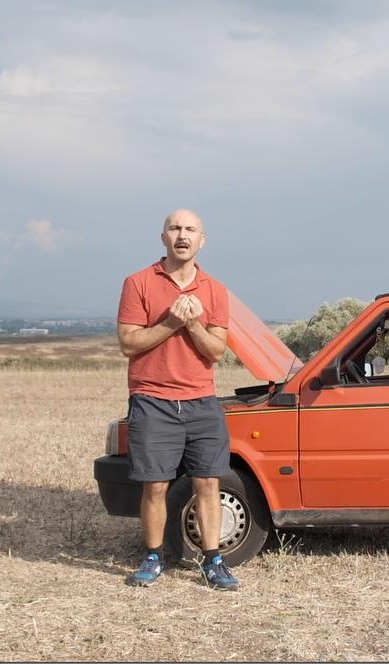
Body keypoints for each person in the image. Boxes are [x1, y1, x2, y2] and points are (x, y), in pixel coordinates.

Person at [115, 208, 238, 590]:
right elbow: (128, 342)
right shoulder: (137, 283)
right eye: (175, 228)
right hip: (152, 400)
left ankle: (213, 560)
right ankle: (153, 557)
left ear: (202, 240)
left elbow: (216, 351)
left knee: (208, 484)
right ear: (163, 237)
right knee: (155, 485)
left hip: (201, 401)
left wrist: (194, 323)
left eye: (190, 230)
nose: (182, 235)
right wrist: (171, 321)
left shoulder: (215, 290)